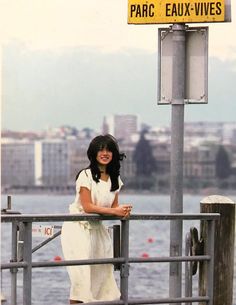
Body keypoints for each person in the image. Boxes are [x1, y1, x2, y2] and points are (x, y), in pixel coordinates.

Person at [61, 134, 132, 304]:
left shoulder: (116, 180)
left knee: (101, 278)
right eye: (101, 150)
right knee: (81, 280)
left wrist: (122, 211)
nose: (105, 153)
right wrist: (115, 212)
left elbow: (113, 207)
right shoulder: (85, 175)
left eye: (108, 150)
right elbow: (88, 207)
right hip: (78, 229)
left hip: (98, 231)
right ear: (93, 153)